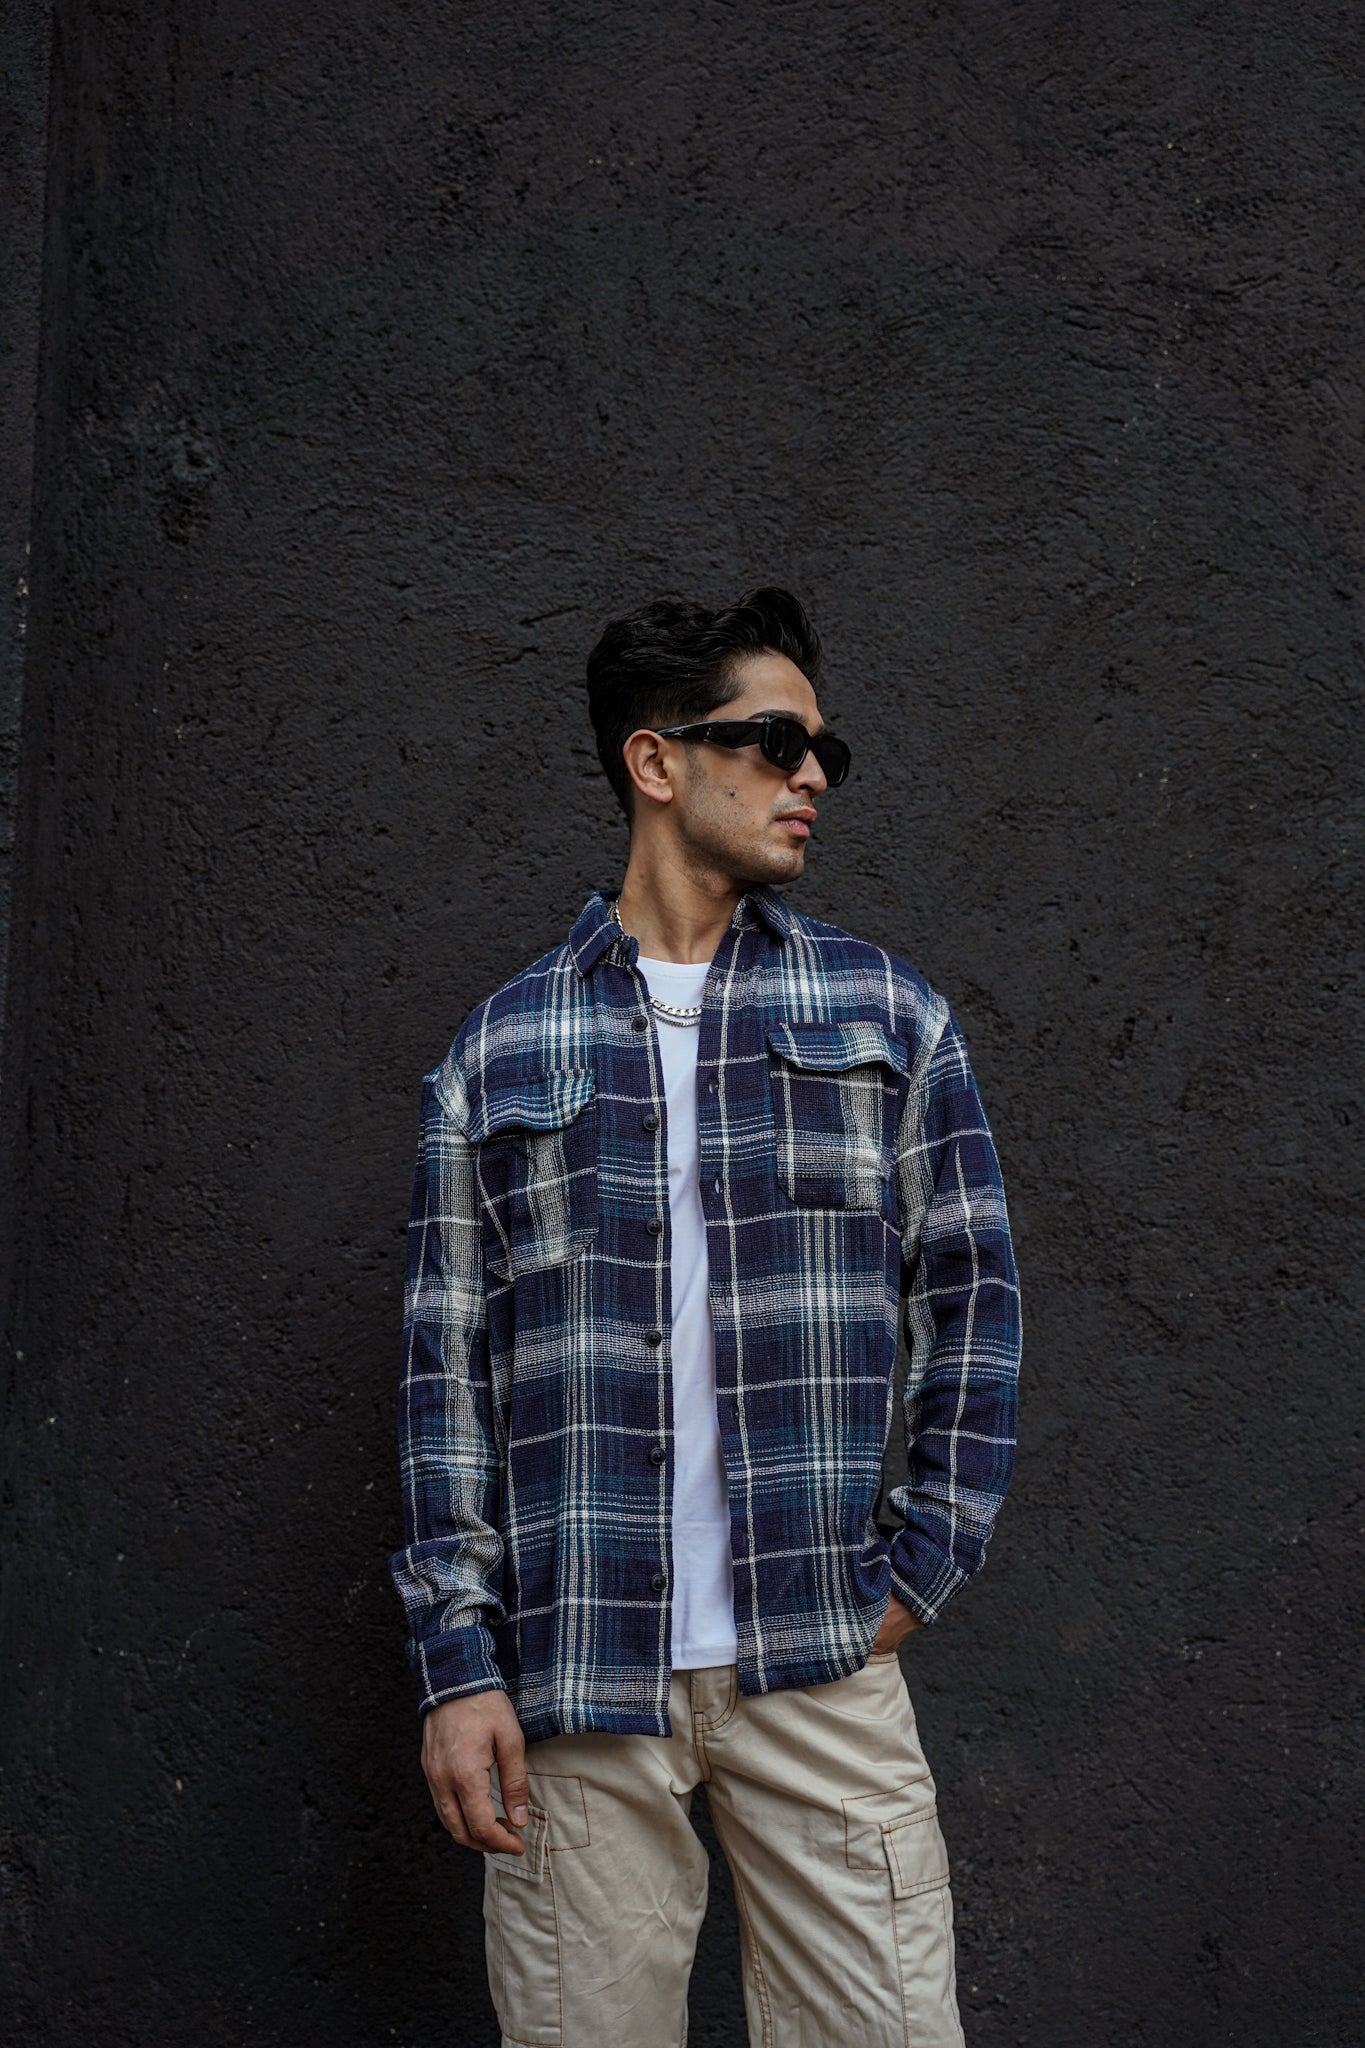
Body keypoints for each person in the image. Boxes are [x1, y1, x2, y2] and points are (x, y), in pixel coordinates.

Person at [390, 587, 1023, 2048]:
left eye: (823, 753)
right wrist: (458, 1665)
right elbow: (442, 1377)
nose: (812, 777)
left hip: (819, 1660)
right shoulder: (503, 1049)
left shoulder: (887, 1017)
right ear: (657, 761)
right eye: (775, 742)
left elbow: (975, 1302)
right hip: (576, 1677)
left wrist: (921, 1566)